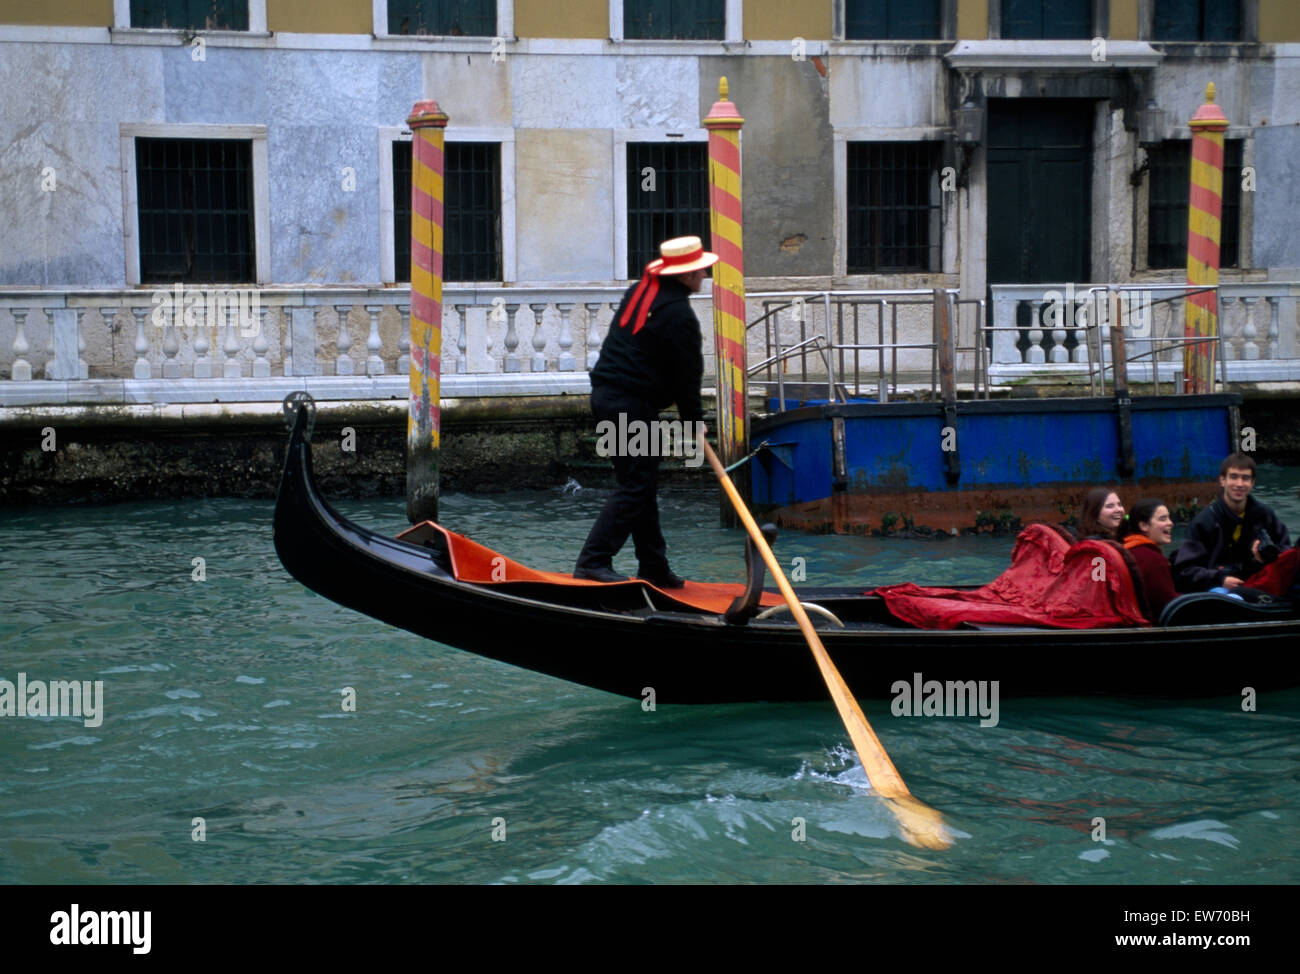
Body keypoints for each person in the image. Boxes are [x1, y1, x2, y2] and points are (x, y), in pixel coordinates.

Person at [573, 235, 718, 588]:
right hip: (629, 405)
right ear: (685, 275)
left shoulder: (642, 290)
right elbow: (688, 375)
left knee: (640, 484)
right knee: (636, 485)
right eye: (700, 269)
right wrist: (695, 424)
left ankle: (653, 565)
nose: (704, 274)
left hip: (610, 400)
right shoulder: (679, 314)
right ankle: (593, 561)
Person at [1172, 452, 1291, 593]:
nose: (1239, 484)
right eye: (1233, 477)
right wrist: (1219, 579)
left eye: (1245, 478)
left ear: (1252, 483)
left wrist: (1266, 557)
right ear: (1222, 480)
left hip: (1257, 580)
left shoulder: (1264, 515)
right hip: (1217, 586)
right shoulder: (1204, 521)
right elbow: (1184, 570)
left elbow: (1287, 552)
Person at [1120, 498, 1179, 620]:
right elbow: (1168, 604)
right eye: (1163, 519)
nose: (1170, 523)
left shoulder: (1128, 550)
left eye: (1169, 518)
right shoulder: (1153, 560)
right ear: (1144, 525)